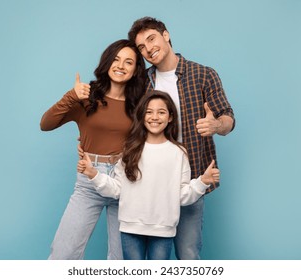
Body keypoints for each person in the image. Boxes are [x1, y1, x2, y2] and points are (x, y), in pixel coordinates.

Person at [128, 17, 235, 260]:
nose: (148, 49)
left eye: (151, 39)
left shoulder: (203, 74)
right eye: (141, 47)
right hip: (150, 184)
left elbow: (228, 119)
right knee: (148, 259)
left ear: (166, 35)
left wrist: (216, 124)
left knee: (187, 254)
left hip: (191, 179)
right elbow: (130, 126)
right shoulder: (142, 82)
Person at [77, 90, 220, 260]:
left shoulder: (178, 153)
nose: (155, 117)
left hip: (163, 230)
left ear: (170, 117)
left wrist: (202, 181)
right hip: (130, 229)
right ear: (142, 116)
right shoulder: (130, 150)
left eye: (161, 112)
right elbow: (117, 189)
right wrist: (93, 173)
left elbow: (181, 196)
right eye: (149, 112)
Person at [40, 39, 146, 260]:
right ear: (107, 62)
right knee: (63, 253)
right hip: (89, 180)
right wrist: (71, 95)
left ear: (136, 70)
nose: (121, 66)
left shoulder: (140, 103)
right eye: (116, 59)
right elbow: (46, 124)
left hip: (126, 181)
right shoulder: (86, 96)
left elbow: (151, 139)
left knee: (122, 260)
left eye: (129, 62)